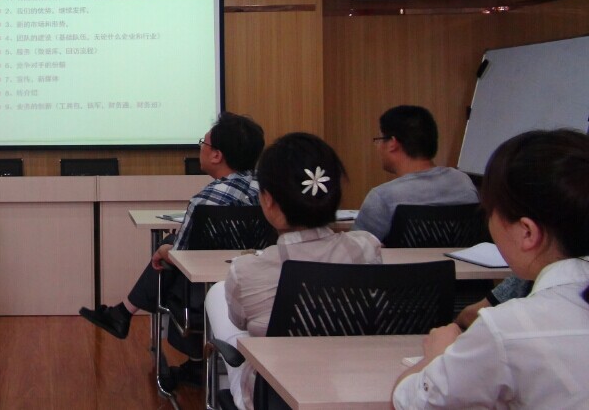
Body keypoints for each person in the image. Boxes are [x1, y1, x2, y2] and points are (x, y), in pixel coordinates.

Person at [393, 129, 589, 409]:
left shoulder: (508, 327)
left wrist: (436, 356)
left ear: (527, 232)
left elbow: (408, 402)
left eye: (490, 211)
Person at [79, 112, 265, 388]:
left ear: (217, 155)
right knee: (170, 242)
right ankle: (124, 314)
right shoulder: (266, 192)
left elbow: (181, 255)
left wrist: (164, 250)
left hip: (202, 293)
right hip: (253, 287)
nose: (200, 148)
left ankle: (124, 313)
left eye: (204, 143)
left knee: (165, 249)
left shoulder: (205, 200)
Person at [206, 133, 382, 410]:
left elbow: (239, 321)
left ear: (268, 201)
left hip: (273, 396)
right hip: (355, 385)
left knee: (218, 293)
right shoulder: (367, 248)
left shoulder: (247, 270)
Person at [352, 105, 478, 240]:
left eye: (379, 140)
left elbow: (356, 249)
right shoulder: (463, 183)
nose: (378, 147)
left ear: (392, 144)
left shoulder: (383, 198)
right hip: (459, 255)